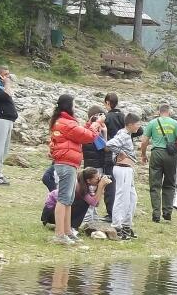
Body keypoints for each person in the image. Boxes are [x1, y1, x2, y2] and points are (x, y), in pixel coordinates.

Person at [48, 94, 102, 245]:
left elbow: (78, 134)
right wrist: (95, 125)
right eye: (73, 105)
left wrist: (88, 125)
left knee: (68, 199)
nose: (75, 107)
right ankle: (60, 234)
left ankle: (67, 231)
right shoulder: (66, 123)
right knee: (64, 199)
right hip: (66, 163)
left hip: (67, 163)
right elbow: (88, 136)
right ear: (68, 106)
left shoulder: (61, 121)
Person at [140, 103, 177, 223]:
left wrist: (143, 154)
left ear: (159, 111)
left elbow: (144, 141)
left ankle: (156, 214)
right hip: (170, 155)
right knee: (169, 183)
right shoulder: (175, 124)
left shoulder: (152, 123)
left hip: (156, 153)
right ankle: (167, 212)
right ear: (169, 112)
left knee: (155, 184)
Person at [106, 112, 144, 240]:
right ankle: (117, 226)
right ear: (130, 124)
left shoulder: (127, 134)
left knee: (132, 198)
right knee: (122, 197)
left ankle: (127, 225)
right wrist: (120, 152)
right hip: (122, 168)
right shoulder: (123, 134)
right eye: (137, 124)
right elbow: (110, 144)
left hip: (128, 168)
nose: (139, 126)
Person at [40, 167, 110, 233]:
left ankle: (70, 226)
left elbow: (96, 203)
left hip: (53, 213)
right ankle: (72, 226)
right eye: (97, 178)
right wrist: (101, 186)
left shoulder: (85, 186)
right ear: (88, 180)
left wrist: (102, 186)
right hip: (49, 215)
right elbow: (94, 203)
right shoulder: (79, 187)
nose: (99, 180)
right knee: (83, 203)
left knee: (83, 202)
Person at [100, 92, 128, 222]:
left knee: (109, 183)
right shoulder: (123, 117)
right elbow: (138, 130)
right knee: (122, 184)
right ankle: (121, 211)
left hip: (109, 153)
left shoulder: (107, 117)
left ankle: (111, 213)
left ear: (107, 103)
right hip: (123, 154)